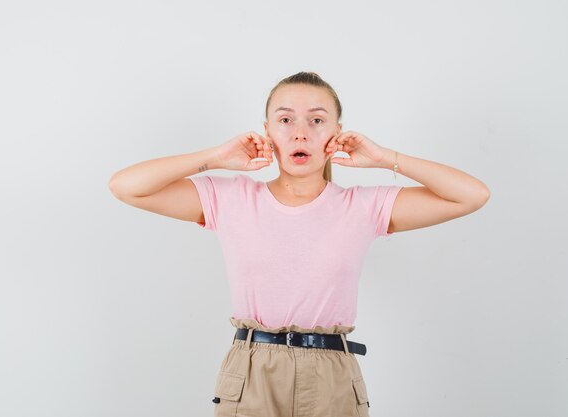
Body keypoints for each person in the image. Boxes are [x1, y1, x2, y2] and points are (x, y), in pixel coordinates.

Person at [108, 71, 490, 417]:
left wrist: (384, 158)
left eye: (317, 120)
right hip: (252, 368)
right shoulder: (231, 198)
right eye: (285, 119)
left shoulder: (362, 206)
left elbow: (471, 195)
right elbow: (126, 187)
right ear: (267, 132)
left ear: (337, 133)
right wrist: (214, 158)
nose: (300, 132)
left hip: (332, 372)